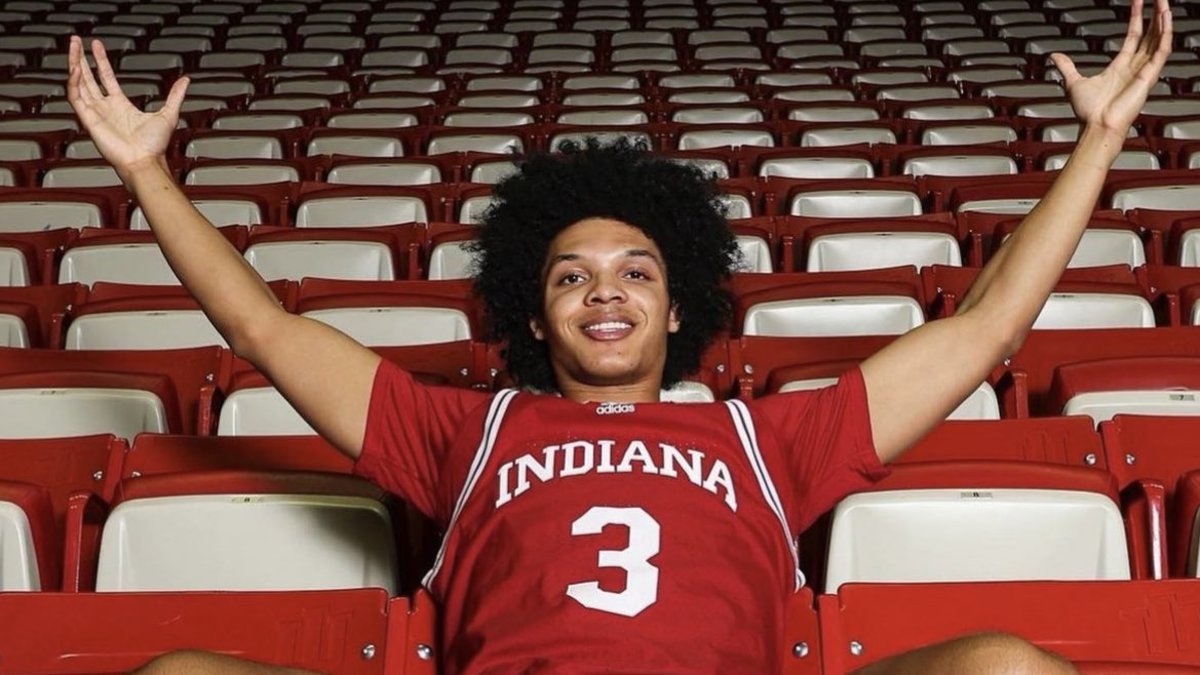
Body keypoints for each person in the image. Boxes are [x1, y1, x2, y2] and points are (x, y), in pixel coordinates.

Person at [62, 0, 1171, 671]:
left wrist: (1099, 145)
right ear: (534, 313)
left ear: (679, 303)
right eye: (572, 277)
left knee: (1009, 666)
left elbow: (985, 329)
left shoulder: (763, 445)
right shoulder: (465, 431)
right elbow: (258, 325)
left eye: (636, 272)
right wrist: (147, 173)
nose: (606, 293)